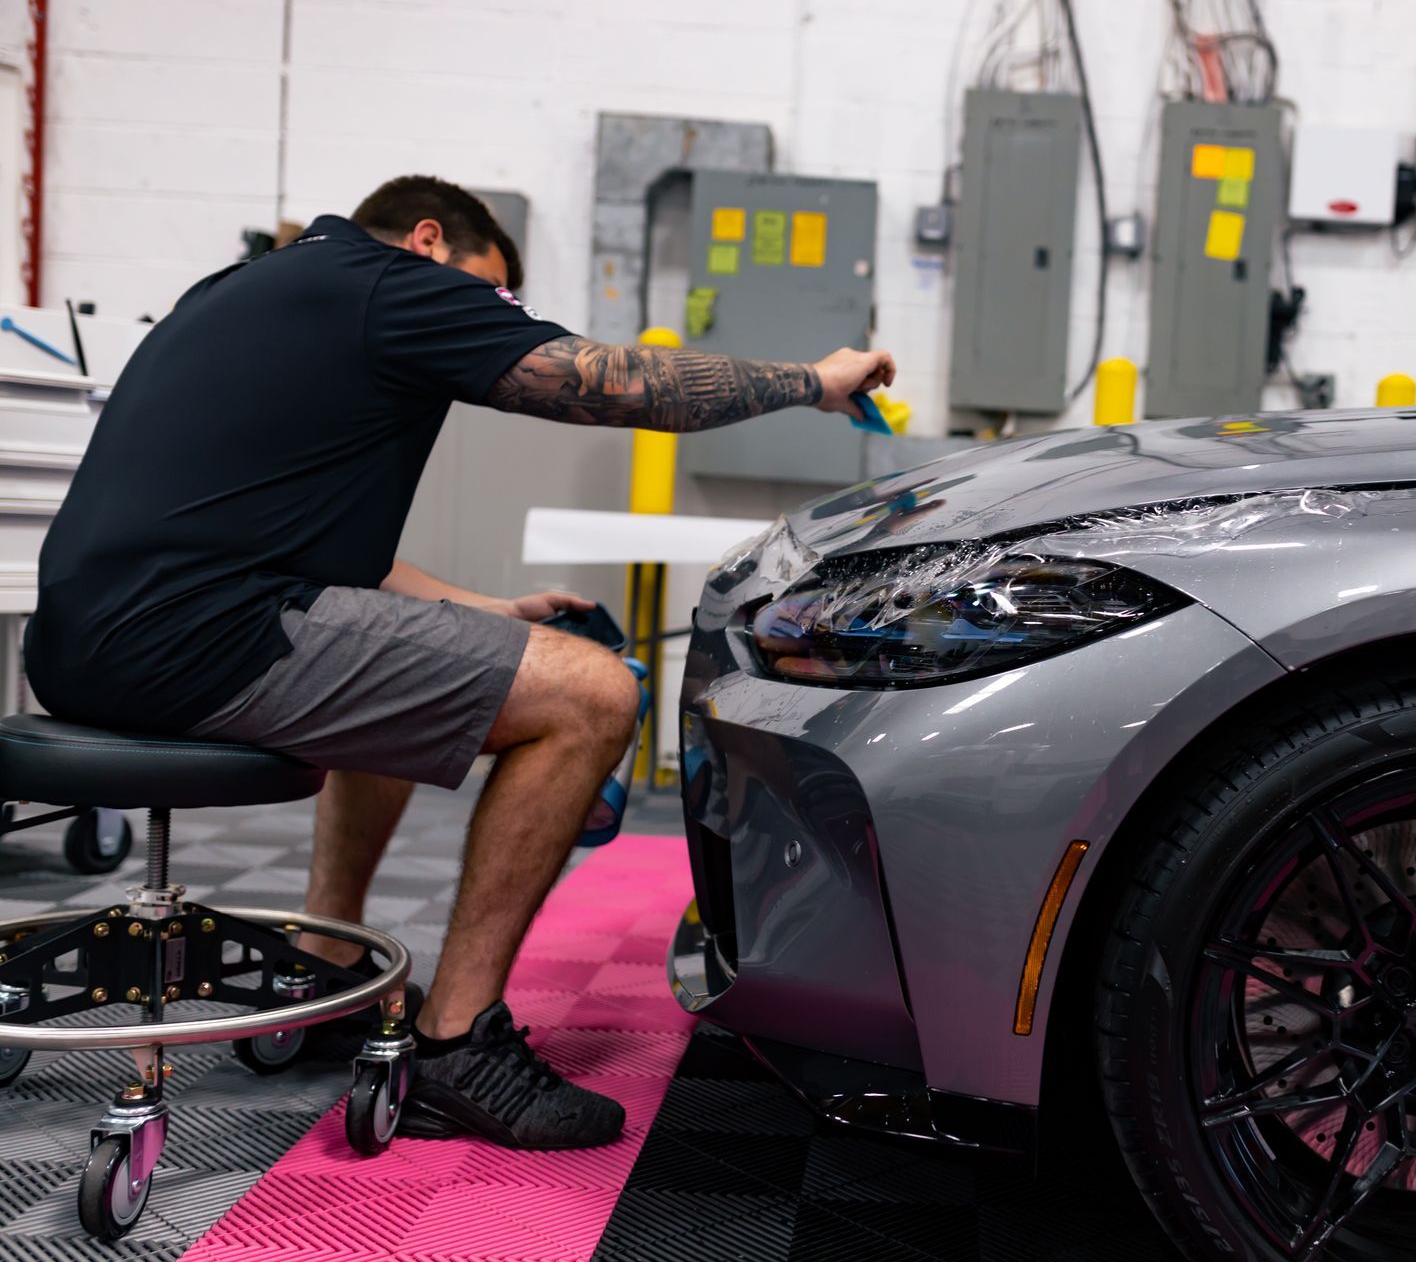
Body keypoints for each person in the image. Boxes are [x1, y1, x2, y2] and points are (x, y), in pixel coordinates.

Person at [24, 175, 895, 1151]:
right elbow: (618, 381)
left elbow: (303, 548)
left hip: (79, 640)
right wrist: (813, 381)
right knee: (593, 694)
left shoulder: (243, 291)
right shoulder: (391, 282)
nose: (490, 317)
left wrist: (489, 610)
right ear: (430, 240)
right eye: (491, 292)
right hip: (195, 636)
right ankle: (455, 1047)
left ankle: (319, 962)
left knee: (426, 663)